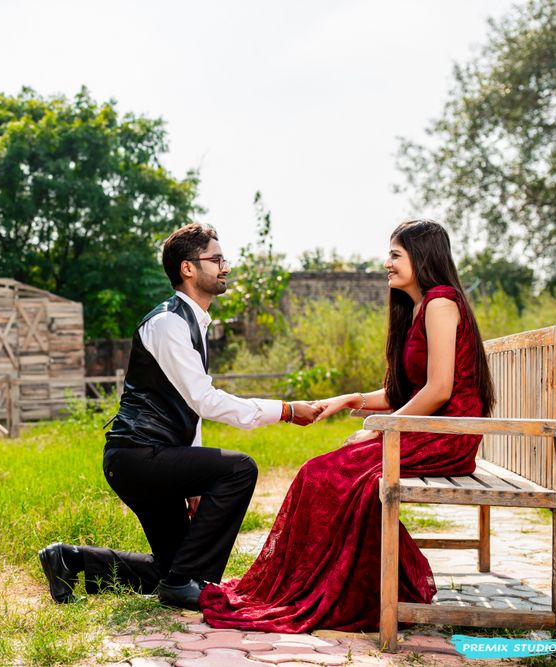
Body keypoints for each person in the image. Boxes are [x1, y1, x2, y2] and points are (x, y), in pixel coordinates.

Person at [199, 219, 496, 632]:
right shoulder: (419, 308)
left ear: (422, 257)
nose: (387, 264)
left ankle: (342, 590)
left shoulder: (442, 302)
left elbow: (440, 389)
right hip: (430, 429)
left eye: (395, 255)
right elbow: (405, 390)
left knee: (326, 476)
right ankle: (345, 585)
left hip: (448, 436)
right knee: (320, 474)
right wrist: (349, 400)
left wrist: (382, 427)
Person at [38, 223, 322, 611]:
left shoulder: (193, 323)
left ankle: (71, 559)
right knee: (240, 470)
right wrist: (286, 411)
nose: (225, 267)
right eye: (216, 259)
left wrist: (194, 486)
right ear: (188, 268)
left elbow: (191, 408)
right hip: (138, 457)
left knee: (169, 569)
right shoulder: (169, 323)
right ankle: (186, 582)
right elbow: (205, 400)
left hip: (153, 458)